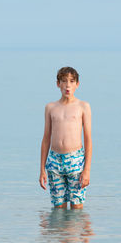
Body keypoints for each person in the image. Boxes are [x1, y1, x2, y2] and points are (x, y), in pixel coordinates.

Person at [39, 67, 92, 209]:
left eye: (71, 81)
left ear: (77, 84)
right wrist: (42, 169)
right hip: (54, 160)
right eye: (63, 81)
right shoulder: (50, 107)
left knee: (76, 209)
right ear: (58, 84)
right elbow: (46, 139)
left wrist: (86, 170)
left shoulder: (83, 106)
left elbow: (88, 140)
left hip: (75, 160)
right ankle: (59, 232)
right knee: (58, 209)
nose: (67, 85)